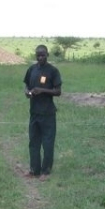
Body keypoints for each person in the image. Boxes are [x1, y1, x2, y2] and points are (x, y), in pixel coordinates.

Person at [23, 45, 62, 180]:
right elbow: (26, 85)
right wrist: (27, 92)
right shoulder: (32, 69)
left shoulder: (53, 71)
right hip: (34, 113)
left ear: (47, 55)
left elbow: (58, 91)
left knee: (47, 143)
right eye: (38, 55)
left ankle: (46, 171)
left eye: (43, 55)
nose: (40, 58)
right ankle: (34, 170)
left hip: (48, 114)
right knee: (33, 143)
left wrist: (42, 90)